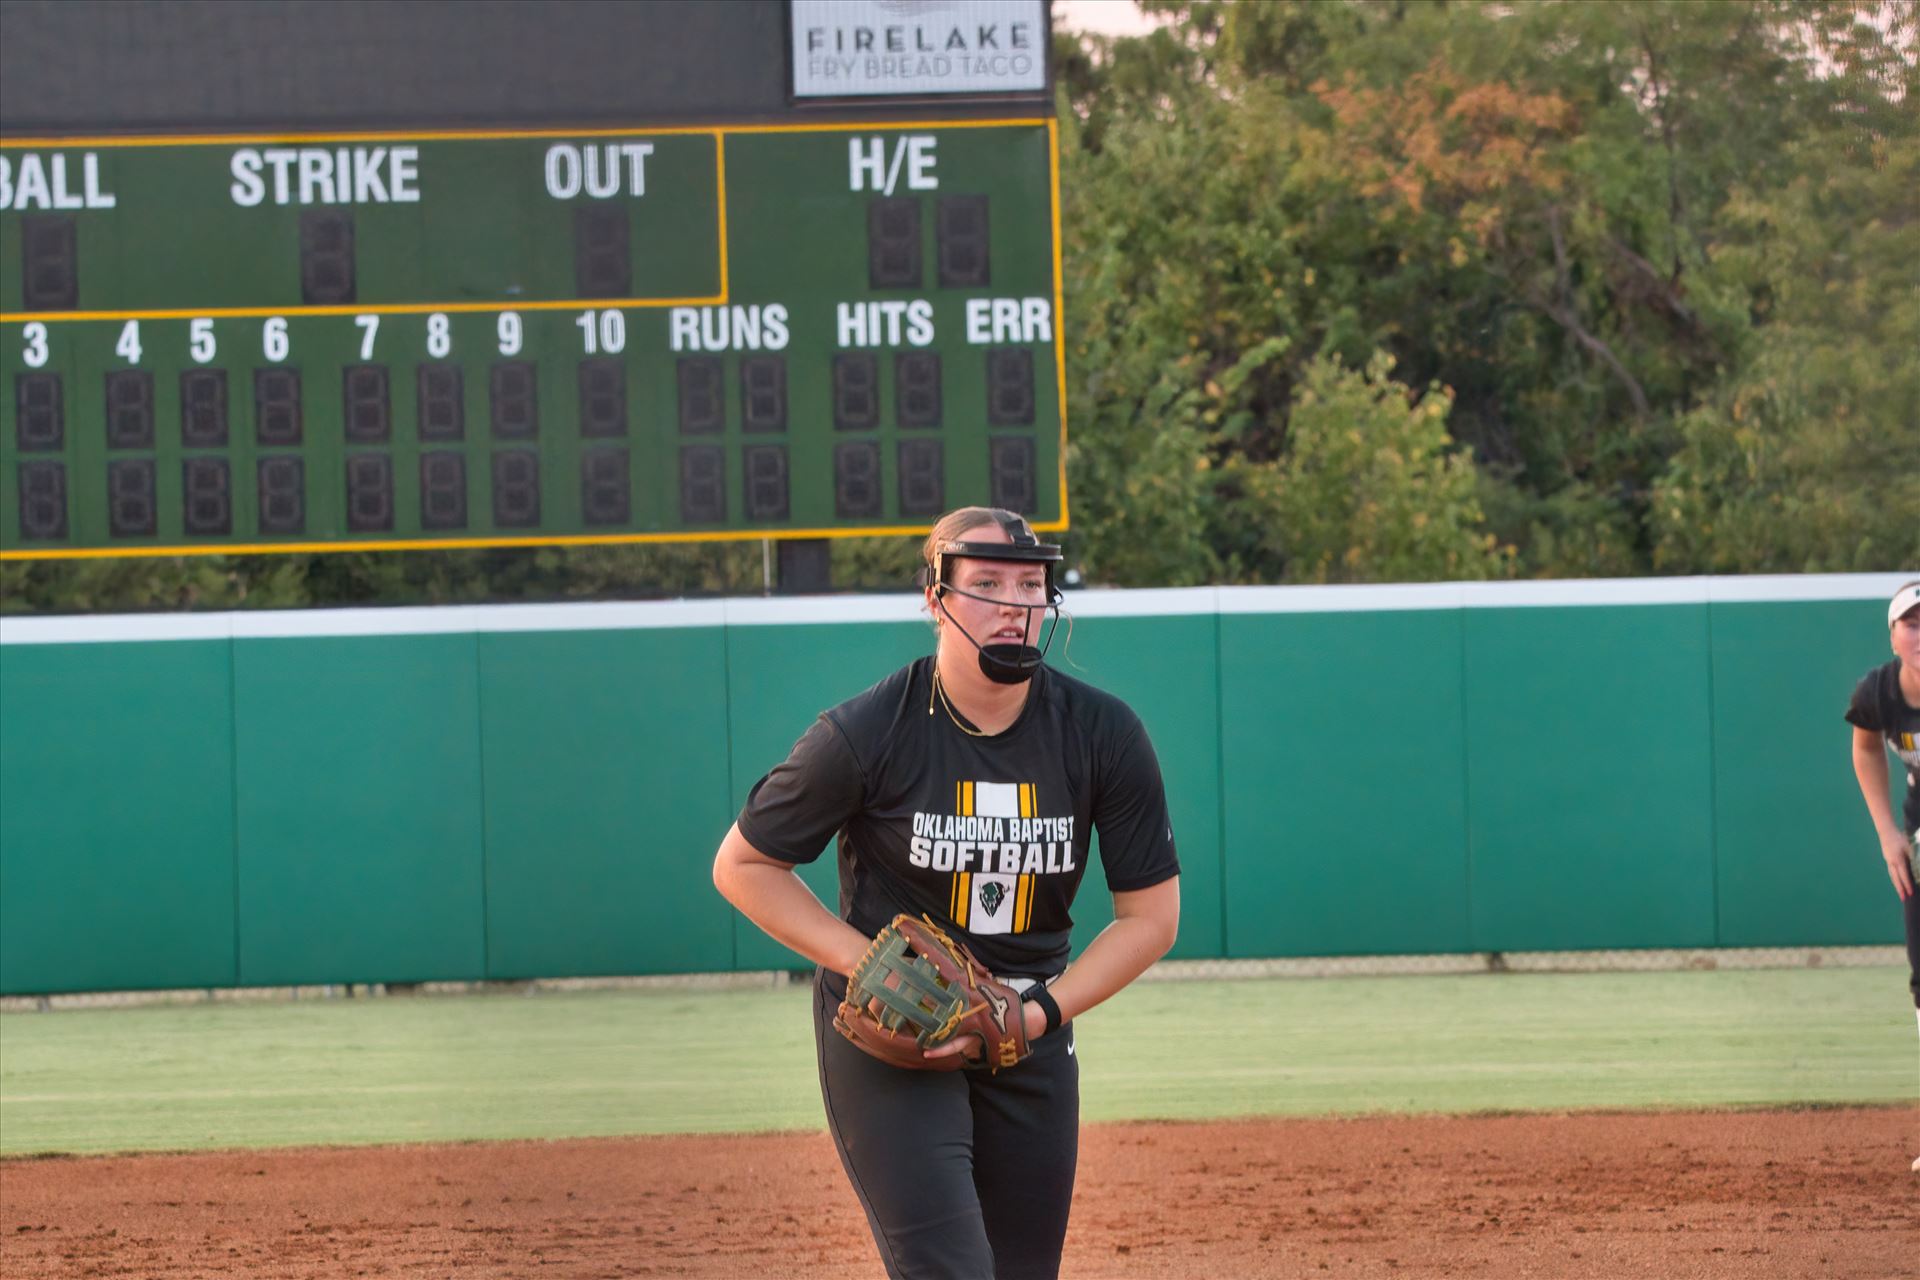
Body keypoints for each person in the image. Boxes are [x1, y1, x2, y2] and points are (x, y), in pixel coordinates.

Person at [711, 506, 1182, 1279]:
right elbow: (743, 866)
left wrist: (1033, 1015)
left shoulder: (1103, 733)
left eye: (1030, 585)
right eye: (986, 584)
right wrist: (875, 967)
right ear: (936, 599)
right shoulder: (867, 732)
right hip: (892, 1035)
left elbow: (1151, 919)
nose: (1013, 605)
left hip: (1027, 1032)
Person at [1845, 580, 1920, 1175]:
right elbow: (1867, 748)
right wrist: (1885, 832)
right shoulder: (1879, 691)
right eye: (1912, 622)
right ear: (1893, 634)